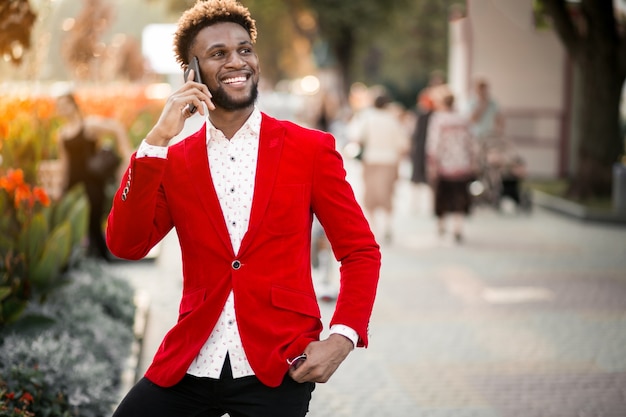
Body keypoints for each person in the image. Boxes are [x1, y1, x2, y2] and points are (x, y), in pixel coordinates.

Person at [106, 1, 381, 416]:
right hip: (190, 362)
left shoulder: (309, 149)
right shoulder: (174, 160)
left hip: (279, 364)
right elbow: (126, 245)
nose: (237, 61)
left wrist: (341, 337)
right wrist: (156, 140)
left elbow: (360, 251)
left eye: (244, 49)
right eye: (218, 53)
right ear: (192, 74)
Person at [56, 92, 131, 261]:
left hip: (93, 183)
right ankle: (85, 259)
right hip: (73, 185)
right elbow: (65, 164)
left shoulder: (88, 125)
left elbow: (117, 128)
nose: (61, 108)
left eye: (64, 104)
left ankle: (103, 260)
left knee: (94, 222)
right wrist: (61, 187)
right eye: (59, 105)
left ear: (73, 105)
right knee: (74, 223)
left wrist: (127, 155)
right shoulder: (62, 134)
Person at [346, 89, 410, 243]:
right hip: (390, 160)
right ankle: (388, 226)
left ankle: (375, 229)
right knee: (388, 194)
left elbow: (356, 137)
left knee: (371, 196)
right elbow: (403, 144)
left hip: (372, 160)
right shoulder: (393, 120)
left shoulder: (367, 119)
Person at [426, 91, 477, 243]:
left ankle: (441, 226)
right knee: (460, 197)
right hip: (462, 164)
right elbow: (472, 143)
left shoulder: (438, 120)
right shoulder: (463, 119)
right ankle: (458, 228)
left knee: (442, 196)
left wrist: (432, 165)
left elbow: (433, 145)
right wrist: (473, 161)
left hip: (444, 165)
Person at [468, 78, 504, 142]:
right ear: (476, 90)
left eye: (485, 89)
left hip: (490, 135)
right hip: (475, 135)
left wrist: (499, 131)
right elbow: (473, 120)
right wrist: (482, 105)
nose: (483, 92)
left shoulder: (493, 102)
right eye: (480, 89)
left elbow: (499, 117)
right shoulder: (471, 102)